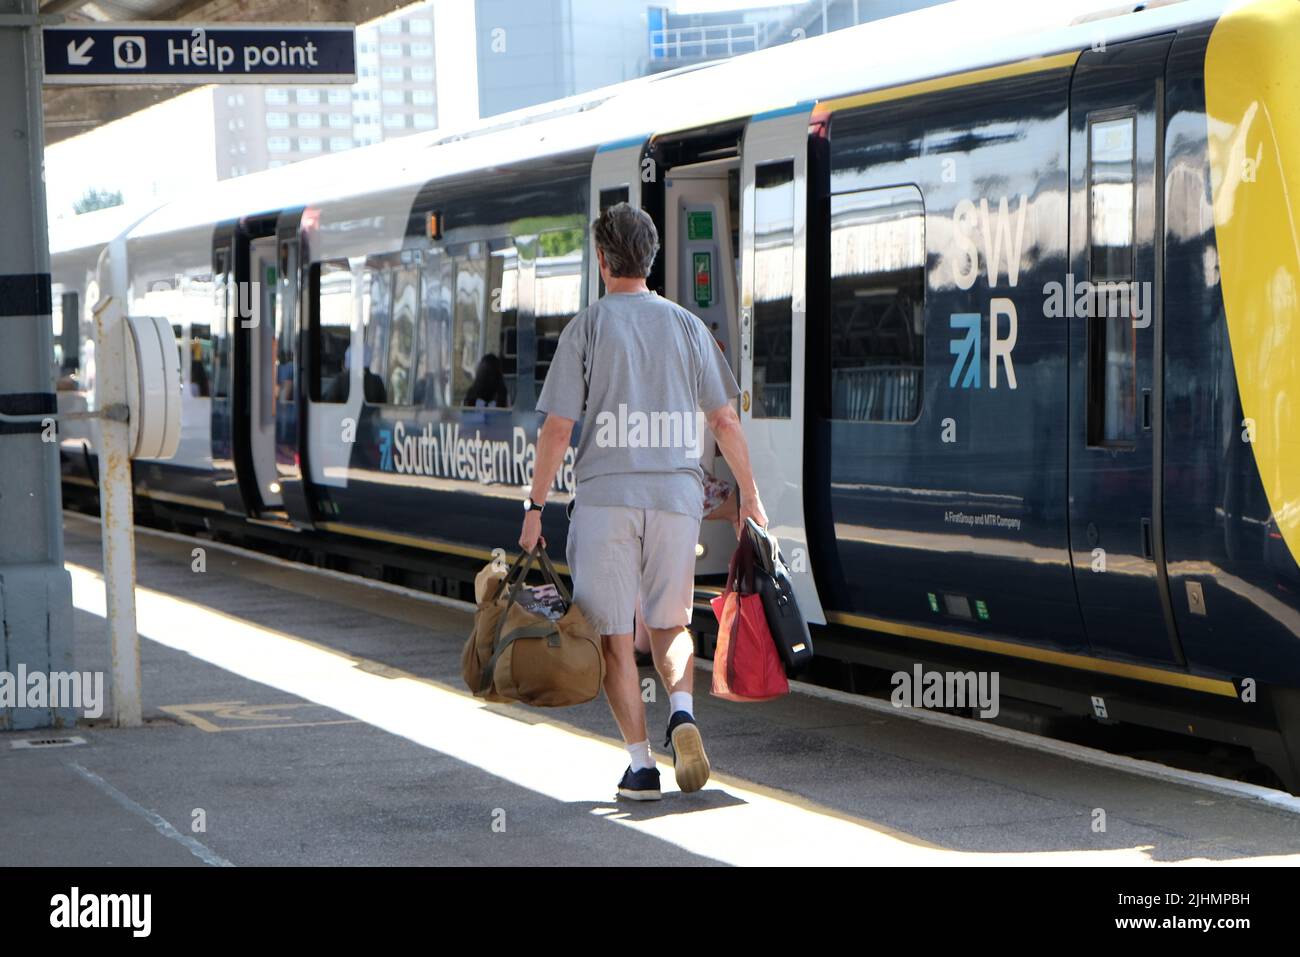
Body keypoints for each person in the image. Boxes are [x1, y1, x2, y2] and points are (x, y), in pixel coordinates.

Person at [519, 202, 766, 801]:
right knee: (671, 623)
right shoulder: (686, 327)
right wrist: (749, 498)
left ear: (603, 261)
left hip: (607, 500)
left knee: (611, 634)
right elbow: (725, 420)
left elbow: (557, 431)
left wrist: (534, 509)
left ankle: (640, 767)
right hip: (677, 498)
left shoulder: (588, 327)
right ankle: (682, 712)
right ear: (650, 259)